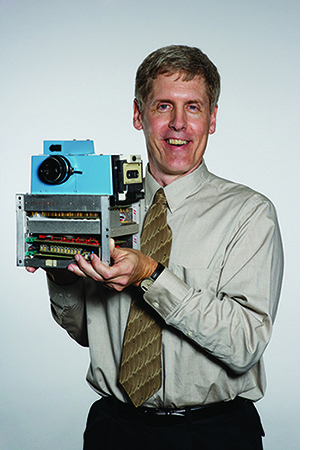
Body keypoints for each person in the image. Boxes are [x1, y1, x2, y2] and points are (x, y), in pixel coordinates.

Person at [28, 45, 283, 449]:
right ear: (138, 115)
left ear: (212, 118)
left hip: (214, 434)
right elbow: (88, 333)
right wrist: (61, 275)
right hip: (114, 430)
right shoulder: (102, 208)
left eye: (193, 108)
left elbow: (244, 344)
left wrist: (152, 276)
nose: (178, 124)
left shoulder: (249, 214)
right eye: (163, 106)